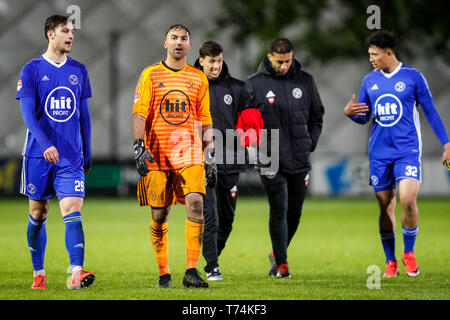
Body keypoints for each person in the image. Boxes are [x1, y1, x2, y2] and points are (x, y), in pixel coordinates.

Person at [345, 29, 450, 277]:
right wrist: (351, 114)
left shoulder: (413, 77)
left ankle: (409, 254)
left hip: (407, 150)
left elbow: (431, 112)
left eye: (374, 54)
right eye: (369, 54)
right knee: (385, 206)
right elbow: (364, 117)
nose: (371, 58)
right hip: (379, 153)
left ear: (388, 53)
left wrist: (447, 143)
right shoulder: (369, 80)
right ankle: (390, 260)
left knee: (408, 199)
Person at [132, 24, 217, 288]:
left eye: (184, 39)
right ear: (165, 43)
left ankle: (191, 271)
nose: (179, 42)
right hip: (157, 153)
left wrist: (209, 154)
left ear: (190, 46)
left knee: (196, 205)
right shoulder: (151, 75)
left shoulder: (198, 78)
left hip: (190, 152)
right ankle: (164, 272)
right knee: (160, 215)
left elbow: (205, 119)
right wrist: (138, 145)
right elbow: (139, 112)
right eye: (174, 38)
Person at [16, 15, 95, 290]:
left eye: (72, 31)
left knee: (73, 211)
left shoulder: (79, 70)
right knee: (38, 214)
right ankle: (39, 272)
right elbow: (28, 115)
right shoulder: (31, 70)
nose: (71, 35)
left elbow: (84, 115)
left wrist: (87, 149)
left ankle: (76, 272)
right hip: (38, 156)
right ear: (50, 34)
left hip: (70, 158)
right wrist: (46, 143)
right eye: (65, 31)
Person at [245, 38, 324, 278]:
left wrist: (310, 142)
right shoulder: (253, 84)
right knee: (279, 209)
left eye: (288, 61)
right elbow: (247, 123)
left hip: (300, 157)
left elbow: (317, 115)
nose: (284, 66)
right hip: (270, 158)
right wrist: (255, 152)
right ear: (269, 57)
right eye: (279, 62)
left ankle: (276, 253)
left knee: (295, 213)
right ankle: (282, 264)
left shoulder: (305, 81)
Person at [194, 41, 263, 281]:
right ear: (201, 60)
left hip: (232, 160)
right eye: (211, 61)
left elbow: (252, 115)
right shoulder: (191, 85)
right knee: (210, 215)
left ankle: (211, 255)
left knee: (227, 220)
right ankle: (212, 266)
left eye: (218, 60)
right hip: (203, 161)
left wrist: (252, 133)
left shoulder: (237, 88)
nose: (215, 65)